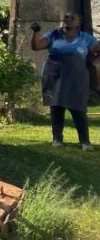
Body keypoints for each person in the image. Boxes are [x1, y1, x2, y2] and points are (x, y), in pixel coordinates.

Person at [31, 11, 98, 150]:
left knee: (78, 108)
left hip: (77, 77)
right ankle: (57, 139)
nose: (68, 19)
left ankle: (85, 141)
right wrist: (36, 32)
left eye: (72, 18)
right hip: (55, 73)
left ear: (79, 21)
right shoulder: (54, 34)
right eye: (66, 17)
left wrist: (94, 62)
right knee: (56, 106)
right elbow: (36, 46)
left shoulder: (85, 38)